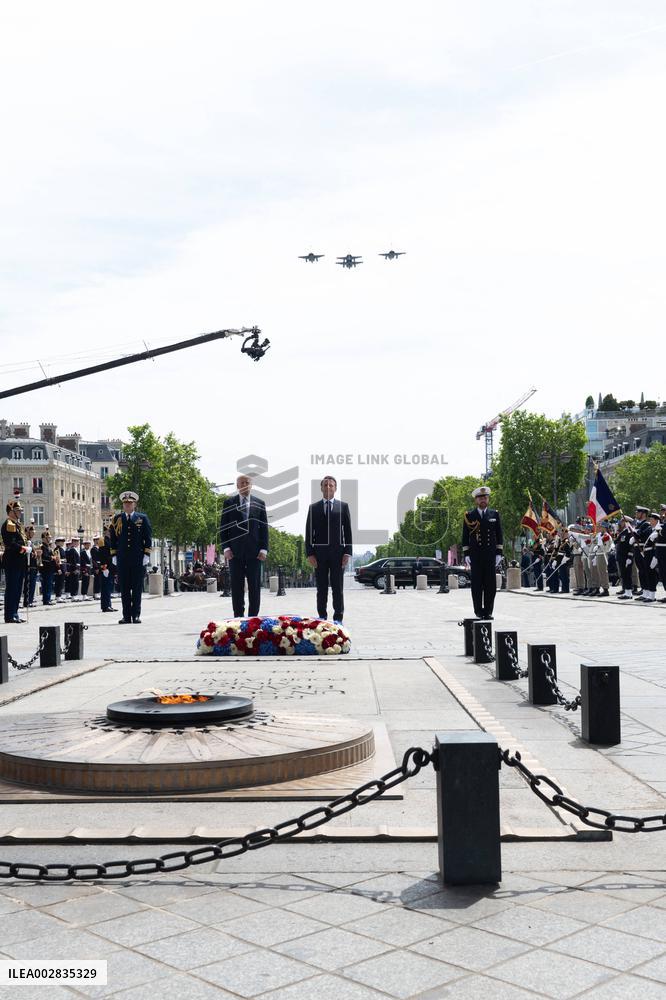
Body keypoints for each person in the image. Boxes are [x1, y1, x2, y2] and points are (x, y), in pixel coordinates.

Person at [305, 475, 353, 622]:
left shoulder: (343, 507)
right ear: (321, 488)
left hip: (338, 554)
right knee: (321, 589)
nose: (328, 487)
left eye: (331, 485)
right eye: (325, 485)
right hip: (319, 555)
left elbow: (348, 531)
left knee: (338, 588)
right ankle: (322, 618)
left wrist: (347, 552)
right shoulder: (313, 508)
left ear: (335, 488)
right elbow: (308, 532)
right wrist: (310, 553)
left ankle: (338, 619)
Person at [220, 474, 268, 617]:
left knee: (254, 588)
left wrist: (264, 549)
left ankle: (253, 618)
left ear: (251, 485)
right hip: (235, 553)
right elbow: (223, 527)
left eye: (247, 482)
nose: (244, 484)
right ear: (237, 486)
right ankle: (238, 619)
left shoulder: (259, 503)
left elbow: (264, 528)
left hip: (255, 553)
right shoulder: (229, 503)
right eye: (241, 483)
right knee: (236, 587)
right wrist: (226, 548)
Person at [109, 490, 153, 624]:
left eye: (130, 503)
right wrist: (114, 555)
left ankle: (136, 615)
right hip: (122, 559)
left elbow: (147, 537)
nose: (127, 506)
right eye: (125, 504)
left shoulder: (142, 518)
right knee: (125, 588)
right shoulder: (117, 519)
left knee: (137, 588)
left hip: (137, 559)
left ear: (134, 504)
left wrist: (146, 554)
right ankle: (126, 616)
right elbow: (113, 538)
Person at [461, 485, 503, 620]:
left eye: (485, 497)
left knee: (490, 584)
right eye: (480, 498)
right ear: (476, 500)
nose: (483, 500)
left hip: (490, 555)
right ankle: (478, 611)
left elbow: (499, 534)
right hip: (476, 555)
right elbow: (464, 537)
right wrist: (466, 554)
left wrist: (499, 553)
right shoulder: (469, 515)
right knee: (477, 585)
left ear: (488, 499)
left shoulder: (494, 514)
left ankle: (488, 611)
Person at [2, 499, 29, 623]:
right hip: (13, 560)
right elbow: (11, 543)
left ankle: (15, 613)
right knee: (12, 588)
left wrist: (29, 547)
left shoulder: (18, 525)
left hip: (19, 561)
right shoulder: (9, 524)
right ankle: (9, 615)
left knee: (18, 589)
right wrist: (23, 548)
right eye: (18, 510)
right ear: (11, 511)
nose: (20, 512)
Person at [97, 525, 115, 613]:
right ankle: (105, 606)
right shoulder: (102, 540)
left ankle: (109, 605)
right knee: (105, 587)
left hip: (110, 566)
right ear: (106, 531)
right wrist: (104, 567)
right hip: (106, 567)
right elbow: (102, 555)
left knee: (109, 587)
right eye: (110, 531)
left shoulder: (111, 541)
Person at [39, 529, 56, 605]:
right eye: (48, 538)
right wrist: (52, 558)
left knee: (49, 584)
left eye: (50, 538)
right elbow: (44, 557)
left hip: (50, 568)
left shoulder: (48, 547)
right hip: (46, 568)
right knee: (46, 584)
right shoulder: (43, 547)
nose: (49, 539)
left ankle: (48, 598)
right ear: (43, 538)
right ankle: (46, 600)